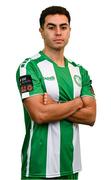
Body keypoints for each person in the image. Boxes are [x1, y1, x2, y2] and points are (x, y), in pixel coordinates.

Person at [16, 6, 96, 180]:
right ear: (41, 31)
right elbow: (40, 114)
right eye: (51, 27)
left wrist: (55, 106)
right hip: (38, 168)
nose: (58, 32)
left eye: (63, 27)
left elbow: (91, 117)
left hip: (71, 166)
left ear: (69, 31)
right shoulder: (29, 67)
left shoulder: (80, 71)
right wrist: (77, 102)